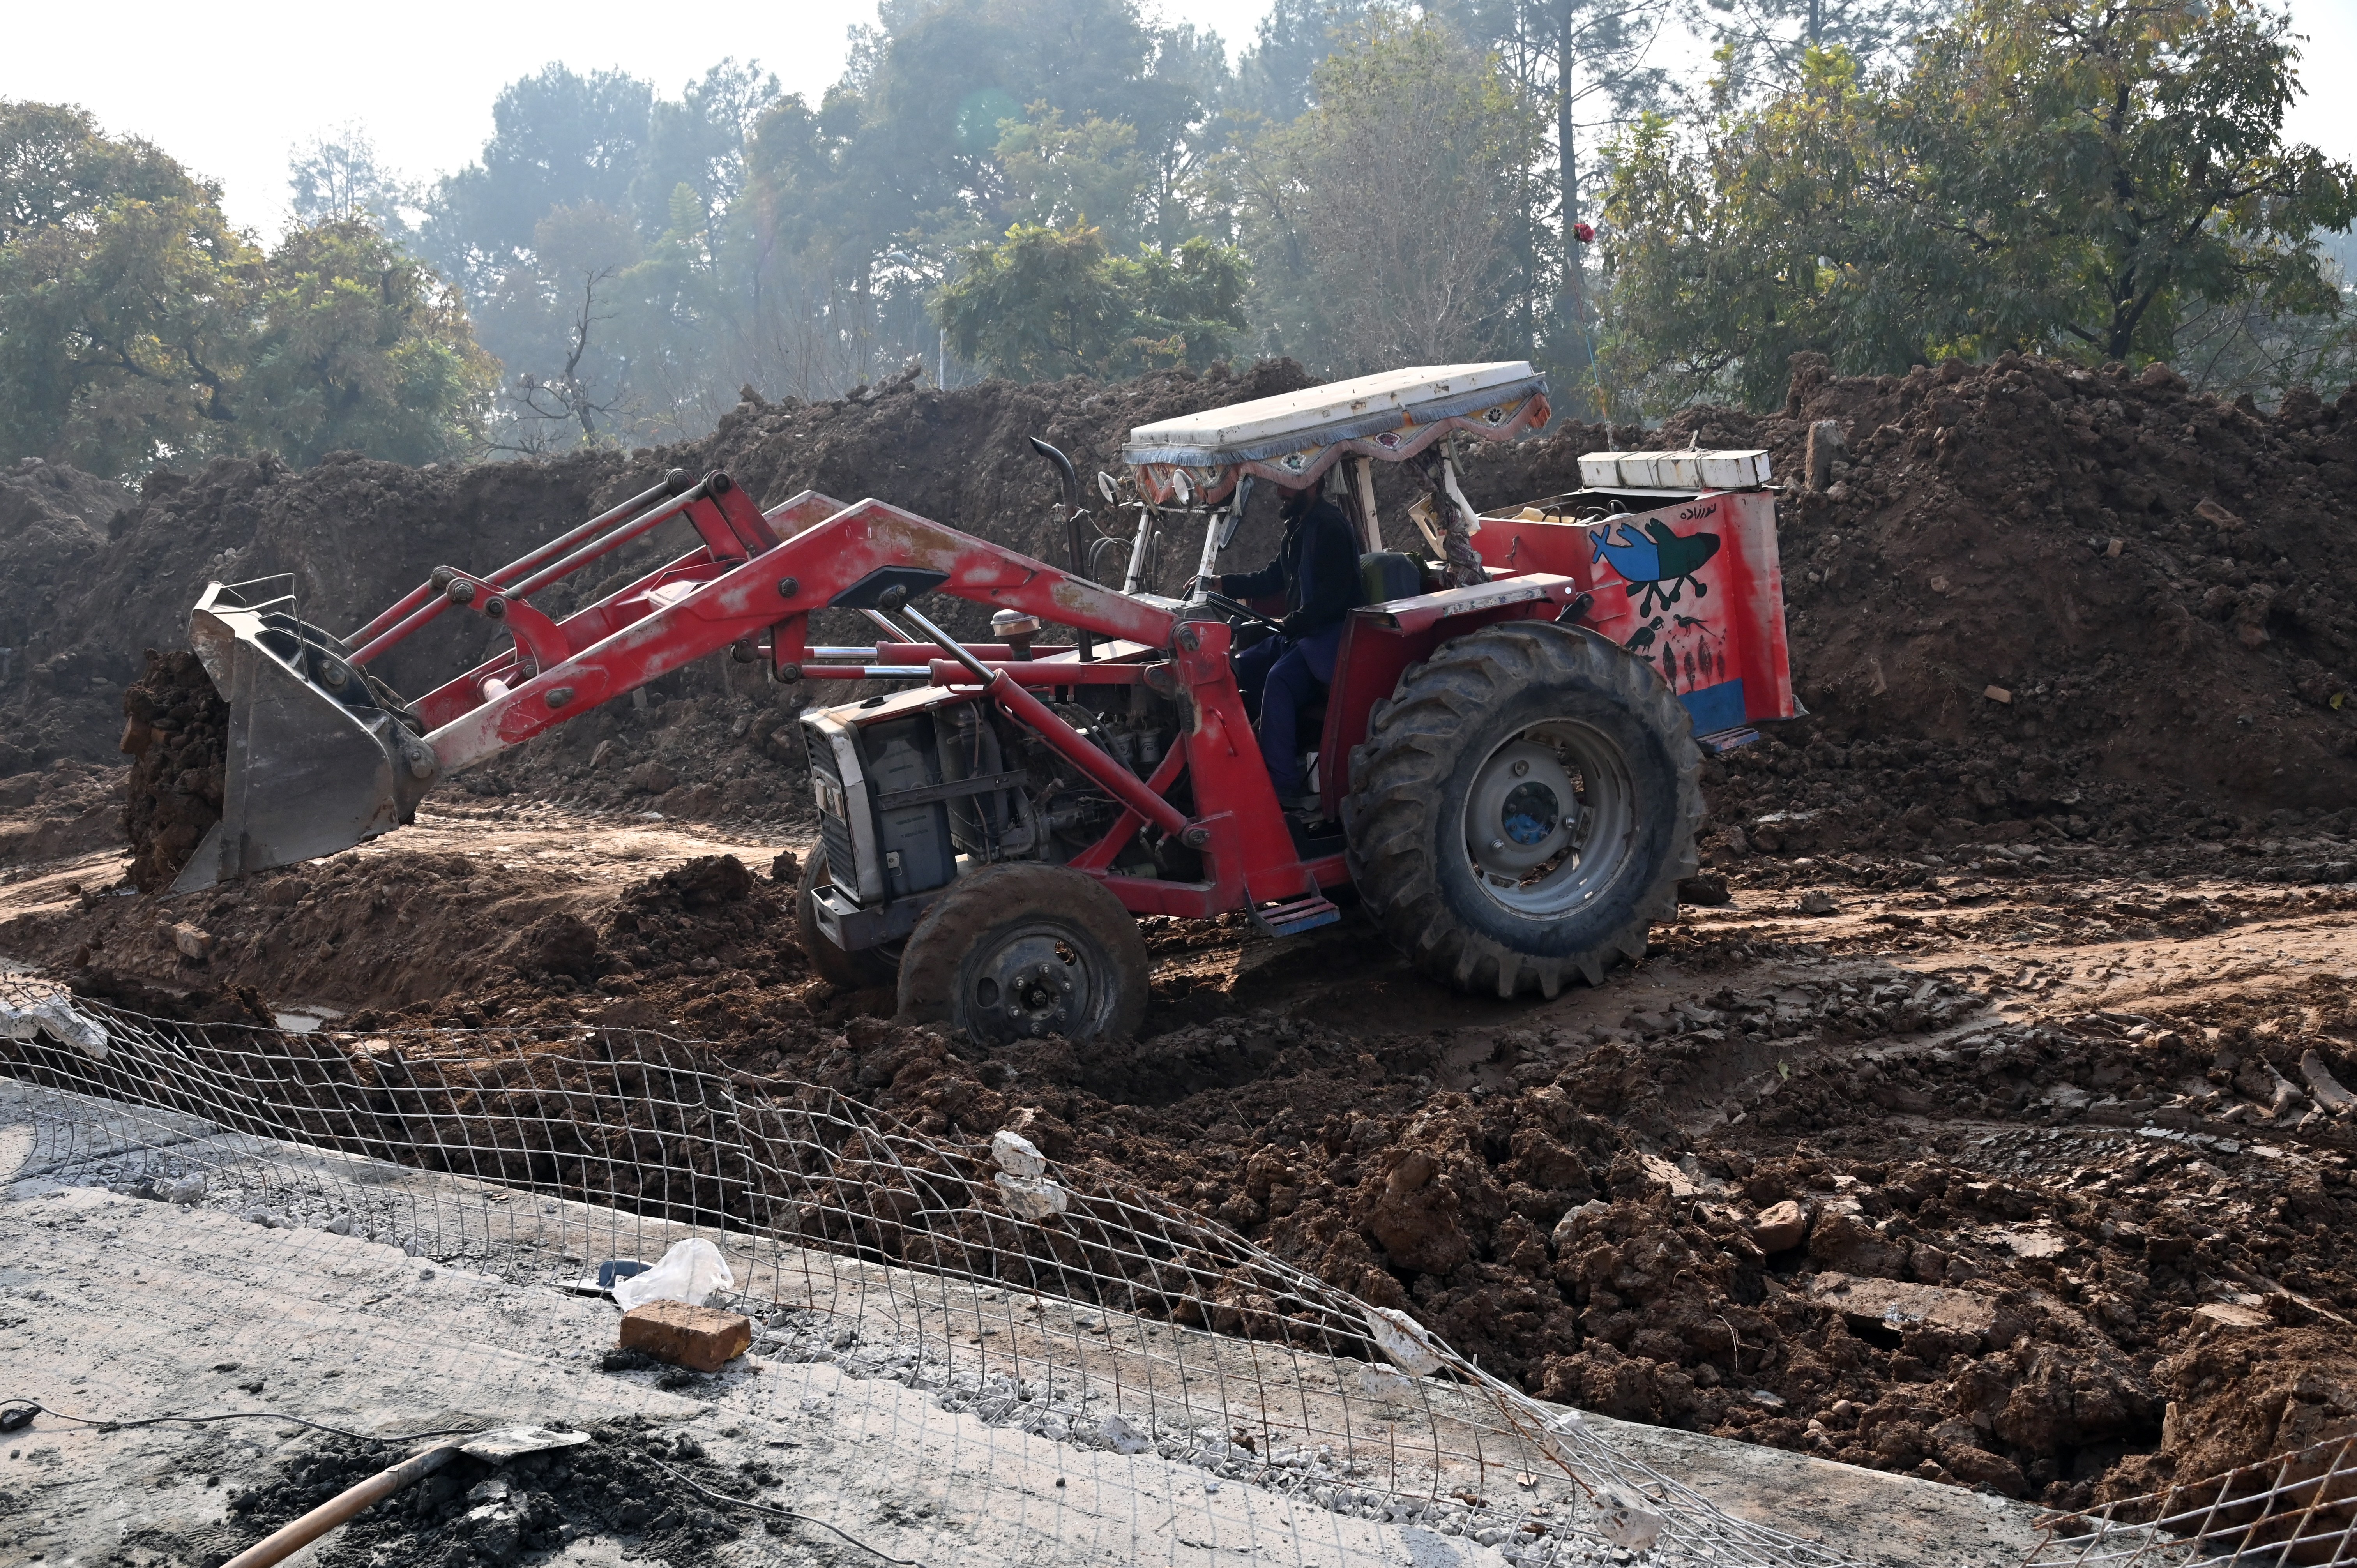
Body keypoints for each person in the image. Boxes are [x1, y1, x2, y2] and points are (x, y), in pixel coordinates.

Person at [1201, 482, 1364, 800]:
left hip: (1329, 638)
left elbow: (1334, 598)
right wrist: (1223, 583)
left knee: (1279, 682)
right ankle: (1231, 761)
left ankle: (1281, 787)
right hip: (1299, 634)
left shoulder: (1330, 528)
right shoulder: (1298, 528)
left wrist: (1289, 622)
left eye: (1287, 487)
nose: (1279, 493)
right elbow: (1274, 576)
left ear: (1314, 485)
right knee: (1237, 667)